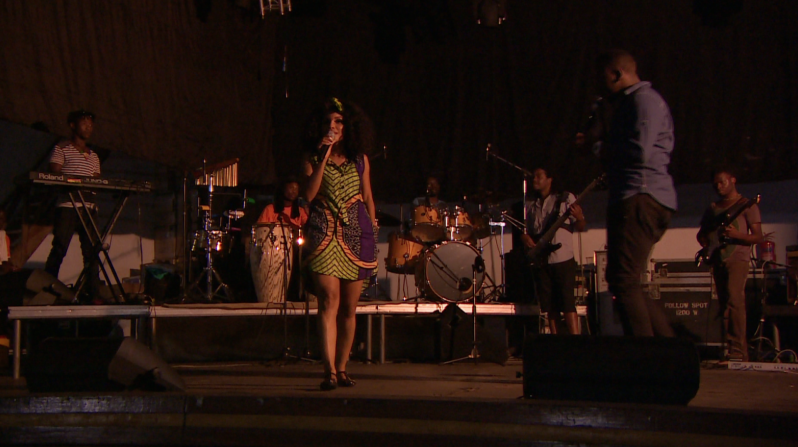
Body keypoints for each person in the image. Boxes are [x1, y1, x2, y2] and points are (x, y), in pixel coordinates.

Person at [593, 49, 677, 337]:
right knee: (626, 281)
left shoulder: (644, 101)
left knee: (624, 280)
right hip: (635, 196)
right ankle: (668, 354)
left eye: (605, 76)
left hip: (640, 196)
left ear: (617, 73)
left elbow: (639, 150)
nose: (602, 83)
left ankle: (648, 358)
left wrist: (604, 147)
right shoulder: (631, 104)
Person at [302, 97, 378, 391]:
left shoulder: (361, 160)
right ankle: (329, 371)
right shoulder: (310, 157)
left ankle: (343, 368)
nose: (332, 127)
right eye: (328, 122)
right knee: (328, 300)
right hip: (323, 233)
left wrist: (372, 224)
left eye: (338, 122)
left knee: (349, 307)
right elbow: (308, 195)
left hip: (357, 234)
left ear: (348, 128)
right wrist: (323, 155)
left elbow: (368, 196)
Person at [697, 168, 762, 362]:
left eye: (722, 182)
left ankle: (739, 351)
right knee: (725, 304)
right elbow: (702, 234)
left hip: (738, 259)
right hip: (719, 258)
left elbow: (758, 237)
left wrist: (737, 235)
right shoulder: (713, 207)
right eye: (715, 184)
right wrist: (708, 242)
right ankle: (729, 348)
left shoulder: (747, 205)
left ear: (733, 180)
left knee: (735, 300)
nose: (719, 186)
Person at [44, 109, 102, 302]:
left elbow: (96, 181)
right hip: (68, 206)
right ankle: (47, 291)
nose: (88, 126)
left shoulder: (93, 155)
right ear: (72, 125)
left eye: (91, 123)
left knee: (91, 252)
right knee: (60, 247)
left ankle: (93, 293)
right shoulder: (61, 149)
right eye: (84, 122)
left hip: (89, 208)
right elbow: (54, 174)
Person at [520, 168, 586, 335]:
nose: (535, 179)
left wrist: (579, 217)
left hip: (562, 257)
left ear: (550, 179)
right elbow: (529, 229)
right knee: (550, 306)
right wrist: (525, 238)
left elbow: (580, 226)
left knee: (567, 303)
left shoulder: (565, 199)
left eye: (539, 176)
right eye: (534, 176)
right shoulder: (531, 203)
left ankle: (575, 340)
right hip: (542, 260)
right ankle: (556, 342)